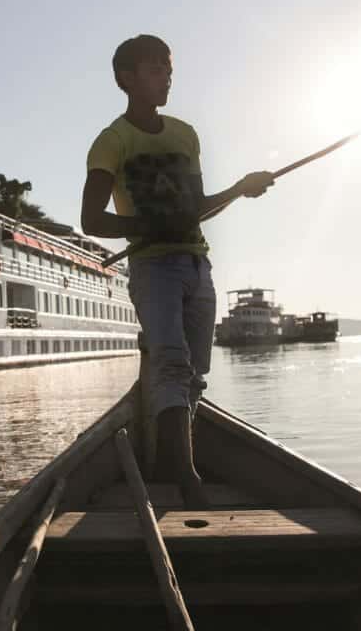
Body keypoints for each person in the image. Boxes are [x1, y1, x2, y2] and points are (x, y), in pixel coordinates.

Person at [80, 34, 275, 508]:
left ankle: (174, 460)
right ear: (126, 79)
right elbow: (92, 219)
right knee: (170, 361)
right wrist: (147, 224)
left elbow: (197, 210)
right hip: (153, 266)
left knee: (195, 374)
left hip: (196, 262)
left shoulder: (185, 134)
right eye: (155, 70)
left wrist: (239, 189)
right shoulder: (112, 141)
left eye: (169, 69)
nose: (167, 77)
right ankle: (185, 474)